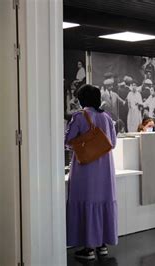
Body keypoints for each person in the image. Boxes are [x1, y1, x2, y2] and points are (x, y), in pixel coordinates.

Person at [65, 84, 117, 261]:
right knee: (102, 202)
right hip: (105, 167)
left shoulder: (79, 116)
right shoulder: (107, 117)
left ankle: (88, 248)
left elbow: (68, 141)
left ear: (81, 99)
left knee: (86, 202)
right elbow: (113, 143)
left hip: (85, 168)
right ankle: (102, 245)